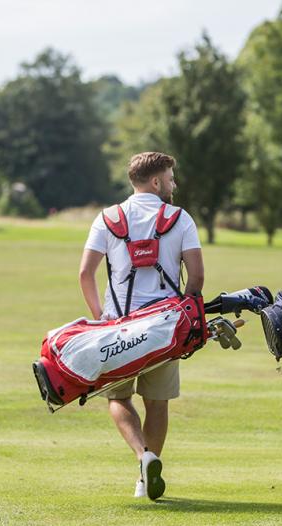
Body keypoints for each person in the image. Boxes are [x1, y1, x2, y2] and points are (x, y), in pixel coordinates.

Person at [79, 152, 204, 501]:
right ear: (156, 181)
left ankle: (142, 455)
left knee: (118, 398)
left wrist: (101, 317)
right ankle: (144, 478)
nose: (173, 184)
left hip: (118, 327)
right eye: (170, 178)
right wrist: (183, 315)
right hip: (164, 328)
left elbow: (85, 273)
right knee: (157, 403)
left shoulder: (107, 218)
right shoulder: (181, 218)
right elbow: (196, 277)